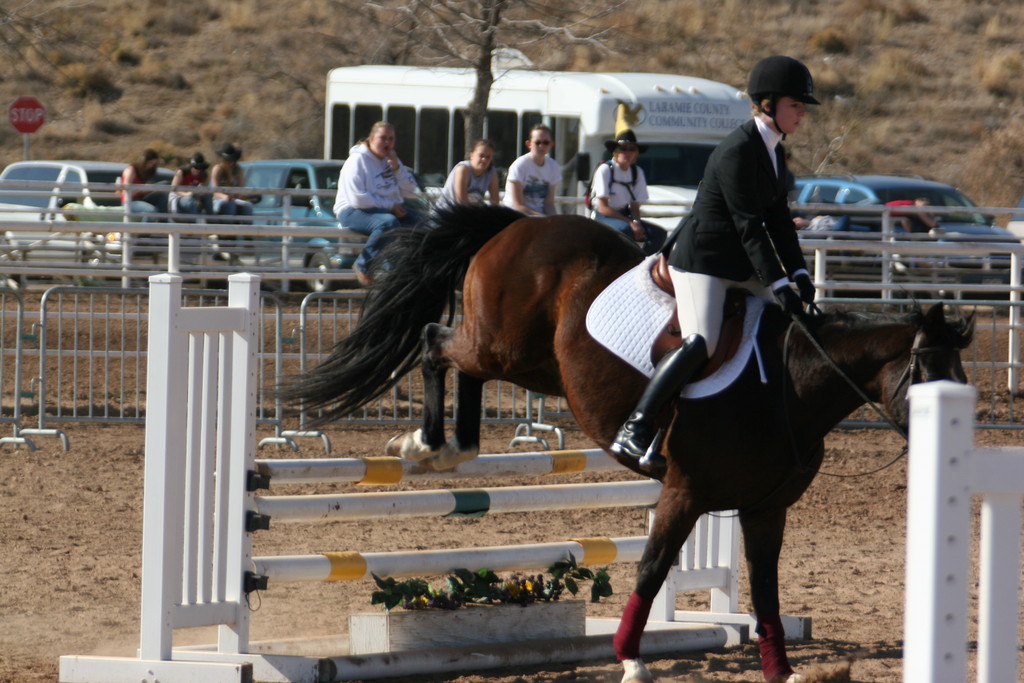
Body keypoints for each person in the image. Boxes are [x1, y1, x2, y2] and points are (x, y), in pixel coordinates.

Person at [610, 55, 821, 464]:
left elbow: (778, 219)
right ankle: (636, 427)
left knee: (783, 324)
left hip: (739, 262)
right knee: (702, 341)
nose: (800, 114)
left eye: (800, 107)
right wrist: (779, 284)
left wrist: (798, 273)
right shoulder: (738, 151)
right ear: (767, 104)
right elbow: (749, 224)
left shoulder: (775, 152)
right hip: (702, 260)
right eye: (795, 105)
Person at [333, 121, 423, 285]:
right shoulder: (357, 160)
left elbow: (410, 191)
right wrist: (390, 206)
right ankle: (363, 265)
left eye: (391, 139)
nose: (387, 143)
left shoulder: (391, 161)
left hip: (386, 210)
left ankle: (405, 270)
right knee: (388, 223)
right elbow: (357, 198)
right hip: (352, 210)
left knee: (423, 223)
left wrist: (397, 168)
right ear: (372, 139)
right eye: (383, 138)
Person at [590, 129, 666, 255]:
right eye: (623, 148)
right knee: (626, 230)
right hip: (603, 216)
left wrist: (636, 222)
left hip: (625, 216)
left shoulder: (637, 172)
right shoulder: (605, 170)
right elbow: (603, 208)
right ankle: (624, 266)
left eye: (632, 149)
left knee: (659, 234)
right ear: (615, 152)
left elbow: (635, 205)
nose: (628, 153)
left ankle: (642, 263)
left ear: (637, 153)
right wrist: (631, 223)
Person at [502, 123, 561, 216]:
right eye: (537, 142)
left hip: (540, 216)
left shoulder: (554, 166)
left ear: (551, 145)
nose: (541, 146)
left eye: (545, 142)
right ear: (528, 144)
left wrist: (554, 220)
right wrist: (541, 217)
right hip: (514, 215)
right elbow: (517, 205)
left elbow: (549, 203)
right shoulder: (519, 165)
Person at [437, 139, 500, 209]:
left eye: (488, 157)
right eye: (481, 156)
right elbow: (461, 203)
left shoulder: (491, 173)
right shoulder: (463, 169)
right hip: (446, 214)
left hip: (470, 215)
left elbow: (495, 203)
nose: (484, 159)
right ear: (472, 156)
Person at [210, 142, 254, 222]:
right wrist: (225, 197)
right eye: (228, 160)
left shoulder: (238, 170)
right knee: (230, 206)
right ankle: (228, 233)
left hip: (235, 199)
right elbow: (215, 191)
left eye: (232, 160)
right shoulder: (218, 170)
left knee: (247, 207)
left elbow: (241, 188)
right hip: (220, 199)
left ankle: (247, 232)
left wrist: (242, 195)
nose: (230, 163)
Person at [120, 148, 168, 220]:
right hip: (130, 200)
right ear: (144, 161)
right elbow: (126, 190)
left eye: (154, 164)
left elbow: (143, 192)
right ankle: (143, 231)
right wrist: (141, 188)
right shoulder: (131, 170)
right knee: (151, 211)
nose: (151, 166)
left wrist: (150, 189)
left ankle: (164, 222)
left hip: (141, 199)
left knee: (162, 194)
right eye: (150, 163)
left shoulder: (145, 173)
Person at [169, 152, 212, 219]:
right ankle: (194, 225)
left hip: (197, 197)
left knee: (208, 196)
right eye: (195, 167)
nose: (198, 170)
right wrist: (187, 195)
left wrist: (201, 191)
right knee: (191, 202)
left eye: (200, 168)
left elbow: (205, 189)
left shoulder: (205, 175)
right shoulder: (182, 172)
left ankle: (212, 221)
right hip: (180, 197)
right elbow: (174, 189)